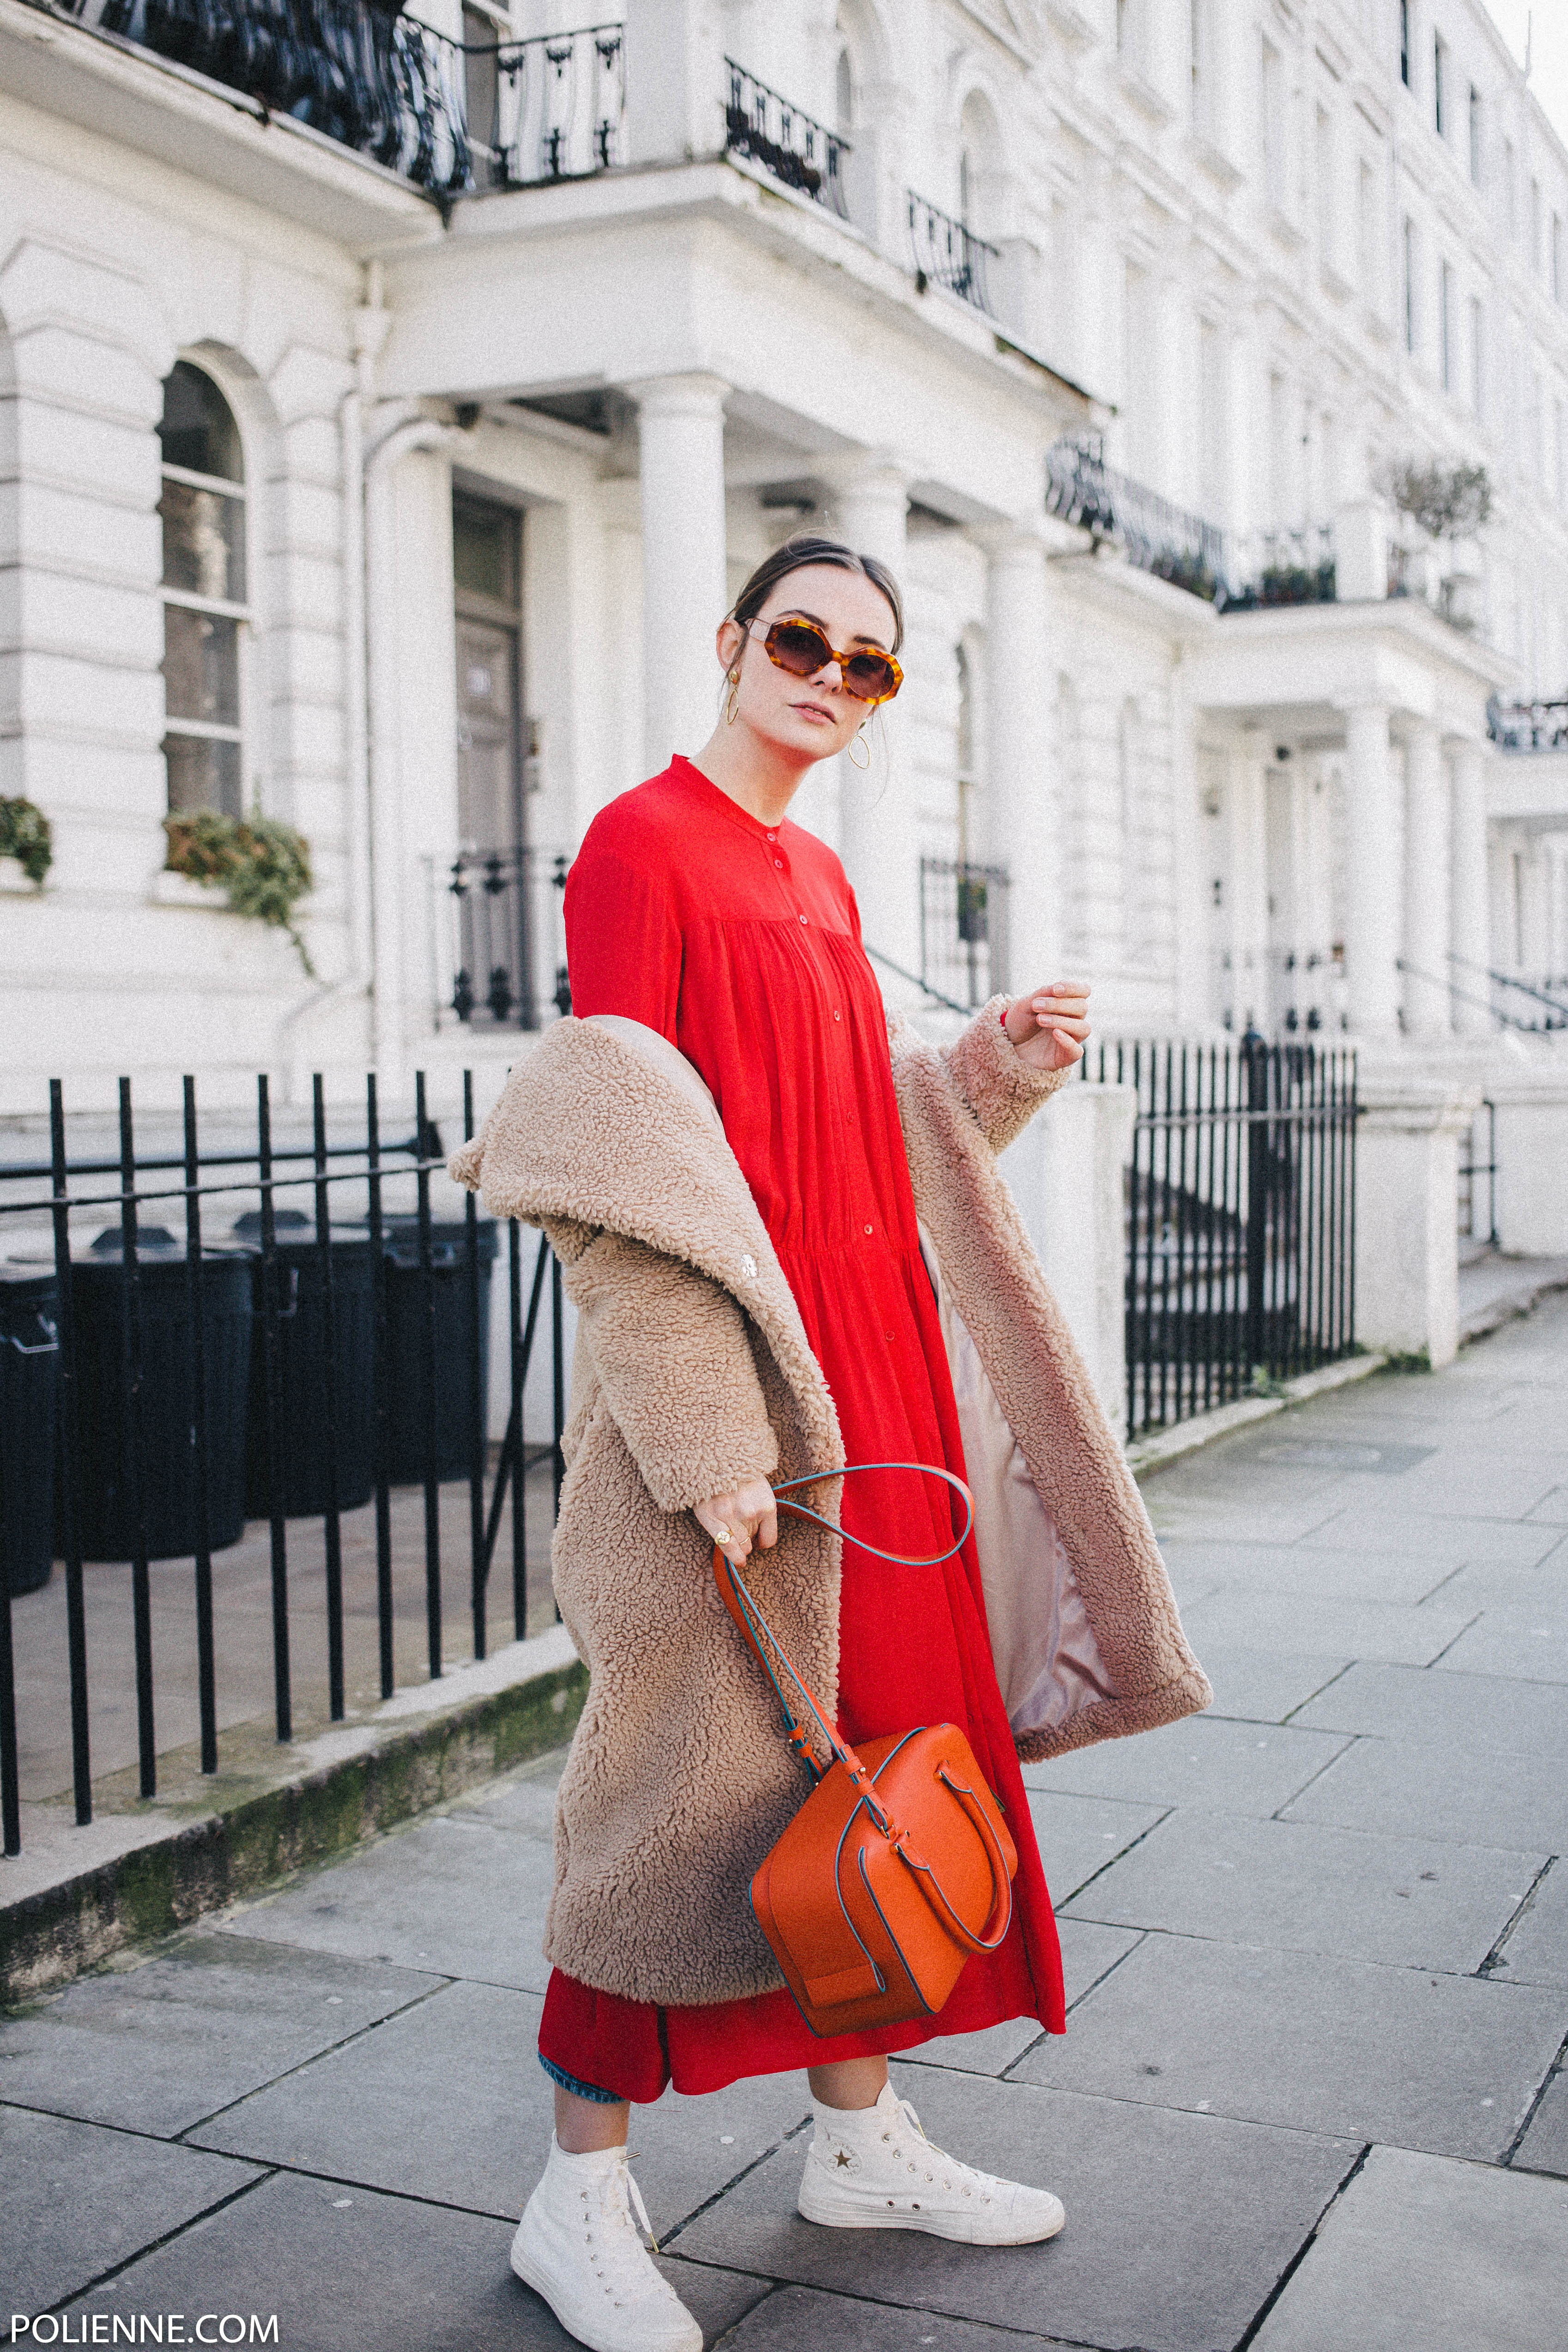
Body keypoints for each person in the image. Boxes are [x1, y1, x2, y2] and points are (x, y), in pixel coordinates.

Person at [453, 536, 1209, 2352]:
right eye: (802, 639)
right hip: (742, 1407)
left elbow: (844, 1133)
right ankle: (579, 2196)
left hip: (872, 1394)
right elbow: (617, 1177)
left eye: (867, 664)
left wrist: (988, 1066)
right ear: (729, 645)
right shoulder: (642, 842)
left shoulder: (813, 864)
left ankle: (857, 2141)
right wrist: (705, 1434)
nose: (830, 676)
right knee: (671, 1807)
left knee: (875, 1780)